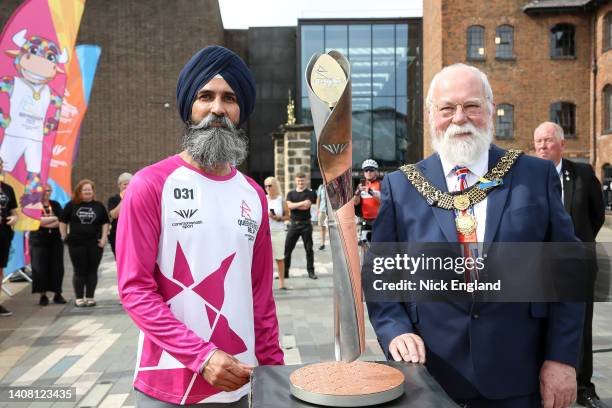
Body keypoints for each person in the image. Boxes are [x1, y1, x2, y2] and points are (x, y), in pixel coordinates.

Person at [367, 63, 585, 408]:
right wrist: (395, 328)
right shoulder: (402, 185)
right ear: (430, 115)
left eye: (471, 106)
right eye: (447, 108)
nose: (459, 118)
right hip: (429, 375)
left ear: (491, 110)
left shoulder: (534, 174)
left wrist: (562, 359)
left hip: (518, 374)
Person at [116, 45, 283, 407]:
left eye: (230, 98)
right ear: (189, 107)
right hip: (168, 387)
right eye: (205, 96)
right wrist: (202, 356)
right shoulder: (150, 185)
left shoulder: (253, 195)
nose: (218, 108)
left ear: (241, 111)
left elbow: (261, 299)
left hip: (242, 385)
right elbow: (135, 291)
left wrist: (275, 377)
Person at [534, 121, 606, 408]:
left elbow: (597, 215)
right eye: (538, 141)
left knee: (581, 326)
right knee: (538, 323)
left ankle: (584, 386)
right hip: (539, 268)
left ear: (562, 144)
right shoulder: (528, 176)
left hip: (577, 267)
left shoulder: (583, 174)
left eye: (548, 141)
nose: (542, 146)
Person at [59, 179, 110, 308]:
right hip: (76, 243)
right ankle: (79, 298)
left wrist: (104, 238)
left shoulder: (99, 206)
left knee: (92, 270)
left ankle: (90, 297)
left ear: (93, 191)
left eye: (90, 189)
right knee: (79, 270)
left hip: (95, 243)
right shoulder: (71, 205)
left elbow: (105, 222)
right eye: (85, 189)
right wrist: (64, 236)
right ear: (79, 192)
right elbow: (63, 221)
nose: (87, 191)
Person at [30, 185, 65, 306]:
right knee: (40, 268)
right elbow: (34, 222)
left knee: (57, 267)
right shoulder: (34, 205)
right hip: (39, 241)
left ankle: (57, 294)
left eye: (49, 190)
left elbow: (61, 220)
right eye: (44, 190)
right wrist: (52, 219)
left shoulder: (55, 204)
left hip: (55, 240)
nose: (46, 192)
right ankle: (42, 295)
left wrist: (44, 222)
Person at [284, 173, 317, 280]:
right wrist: (301, 204)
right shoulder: (290, 193)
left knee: (309, 249)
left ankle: (311, 272)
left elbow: (307, 206)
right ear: (296, 181)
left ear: (305, 181)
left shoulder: (310, 192)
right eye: (298, 181)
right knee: (287, 249)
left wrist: (295, 205)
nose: (300, 182)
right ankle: (285, 272)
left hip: (306, 225)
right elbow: (289, 206)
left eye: (302, 180)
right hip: (294, 224)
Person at [0, 157, 18, 317]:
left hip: (3, 234)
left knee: (0, 269)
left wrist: (14, 219)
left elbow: (14, 212)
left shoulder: (7, 189)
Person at [264, 176, 289, 289]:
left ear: (275, 186)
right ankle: (266, 285)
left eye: (270, 185)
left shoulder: (281, 200)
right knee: (265, 261)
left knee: (279, 258)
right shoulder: (263, 199)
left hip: (278, 232)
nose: (267, 188)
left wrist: (277, 218)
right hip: (265, 233)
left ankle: (282, 283)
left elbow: (288, 216)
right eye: (266, 185)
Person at [353, 159, 381, 244]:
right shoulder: (361, 186)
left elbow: (383, 200)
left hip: (378, 221)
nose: (368, 172)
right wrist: (357, 193)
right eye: (366, 170)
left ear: (376, 172)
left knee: (378, 247)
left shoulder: (380, 184)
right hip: (365, 221)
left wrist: (370, 192)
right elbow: (355, 203)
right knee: (364, 245)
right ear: (363, 172)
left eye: (371, 170)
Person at [107, 172, 132, 258]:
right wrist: (125, 199)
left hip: (132, 234)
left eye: (130, 184)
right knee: (120, 260)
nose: (127, 186)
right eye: (125, 184)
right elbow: (114, 215)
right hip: (117, 234)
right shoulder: (113, 199)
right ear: (119, 185)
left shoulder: (137, 197)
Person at [315, 183, 327, 250]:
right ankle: (322, 244)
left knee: (333, 228)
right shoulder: (321, 186)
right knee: (322, 228)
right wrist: (318, 209)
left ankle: (334, 244)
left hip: (332, 210)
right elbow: (318, 198)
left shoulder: (334, 185)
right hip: (322, 210)